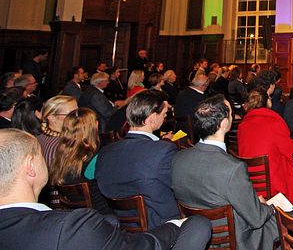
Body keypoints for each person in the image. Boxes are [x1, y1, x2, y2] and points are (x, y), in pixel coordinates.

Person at [0, 128, 211, 250]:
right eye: (39, 153)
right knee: (199, 225)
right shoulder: (73, 227)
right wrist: (176, 225)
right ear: (30, 166)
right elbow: (144, 245)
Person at [172, 94, 280, 250]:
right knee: (288, 221)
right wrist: (268, 207)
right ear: (224, 124)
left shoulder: (178, 158)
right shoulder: (233, 167)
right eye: (229, 113)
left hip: (196, 236)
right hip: (238, 240)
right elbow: (256, 219)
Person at [96, 90, 180, 227]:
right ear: (152, 118)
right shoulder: (163, 151)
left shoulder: (105, 152)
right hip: (159, 226)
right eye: (164, 114)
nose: (165, 118)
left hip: (119, 225)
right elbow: (179, 188)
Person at [238, 89, 293, 207]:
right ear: (268, 103)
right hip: (273, 183)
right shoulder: (275, 122)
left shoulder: (242, 126)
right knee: (289, 162)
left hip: (250, 181)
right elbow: (291, 154)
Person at [49, 108, 110, 213]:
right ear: (95, 126)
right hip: (101, 216)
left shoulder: (61, 159)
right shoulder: (98, 158)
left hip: (77, 215)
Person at [37, 95, 77, 167]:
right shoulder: (60, 146)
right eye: (72, 114)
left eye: (78, 112)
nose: (78, 117)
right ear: (52, 118)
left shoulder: (40, 137)